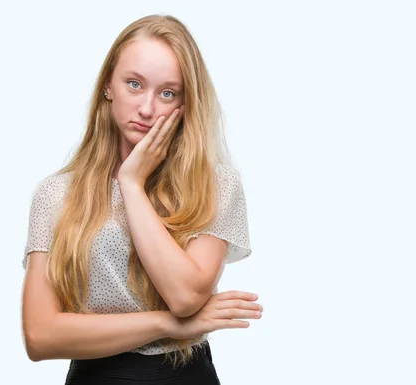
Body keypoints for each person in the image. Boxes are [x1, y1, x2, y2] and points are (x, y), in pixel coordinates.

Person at [21, 14, 263, 384]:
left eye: (167, 93)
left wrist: (132, 185)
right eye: (134, 84)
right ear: (108, 86)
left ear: (186, 103)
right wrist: (168, 324)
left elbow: (185, 297)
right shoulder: (57, 195)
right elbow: (40, 336)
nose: (148, 109)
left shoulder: (215, 185)